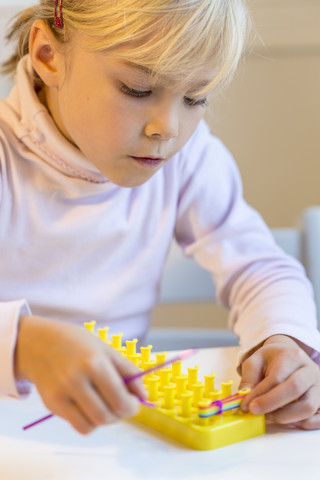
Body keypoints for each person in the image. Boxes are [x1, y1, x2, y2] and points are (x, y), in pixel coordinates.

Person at [0, 0, 319, 436]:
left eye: (195, 97)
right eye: (136, 89)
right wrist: (23, 345)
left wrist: (282, 337)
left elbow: (257, 265)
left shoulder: (187, 158)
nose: (166, 128)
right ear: (48, 56)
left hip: (116, 438)